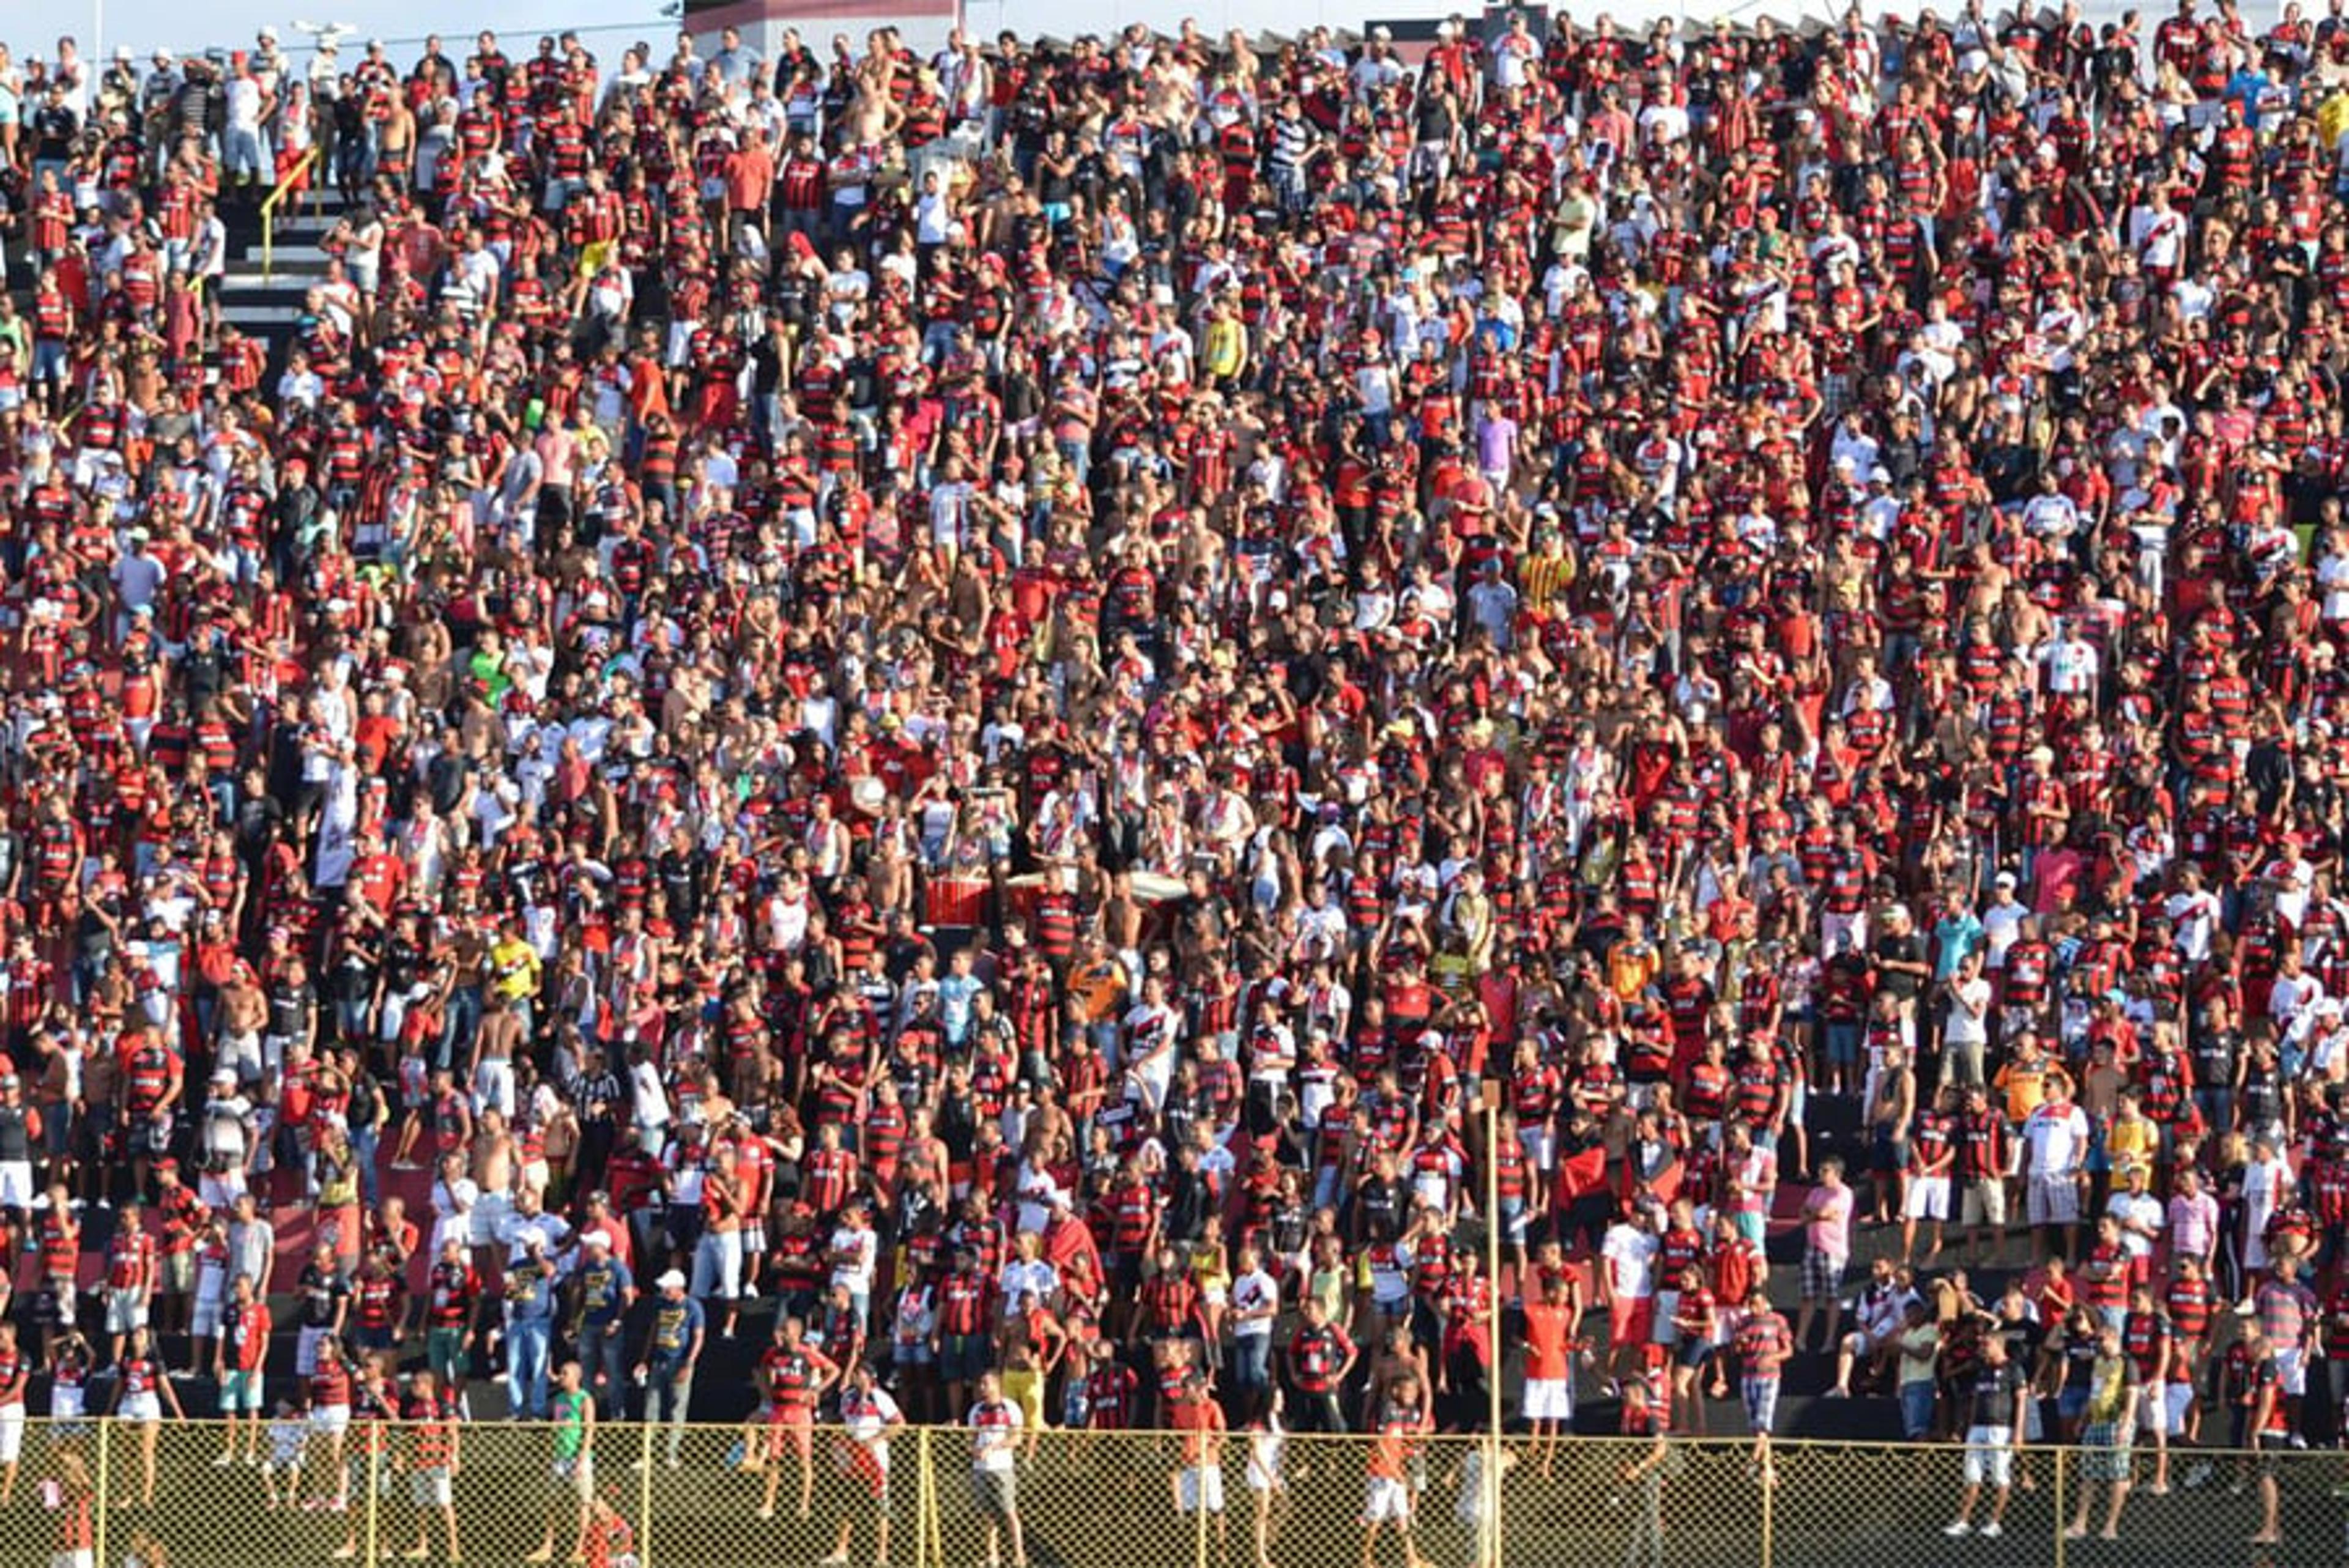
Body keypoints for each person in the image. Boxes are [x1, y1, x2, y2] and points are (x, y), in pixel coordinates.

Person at [1943, 1329, 2029, 1539]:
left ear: (1999, 1346)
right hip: (1978, 1428)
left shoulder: (2014, 1369)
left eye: (1987, 1345)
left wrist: (2018, 1432)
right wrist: (1968, 1427)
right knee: (1972, 1474)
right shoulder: (1981, 1369)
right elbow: (1975, 1400)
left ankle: (1995, 1522)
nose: (1983, 1349)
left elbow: (2021, 1401)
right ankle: (1964, 1520)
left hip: (2001, 1428)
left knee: (2000, 1475)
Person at [825, 1361, 903, 1568]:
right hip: (851, 1456)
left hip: (874, 1457)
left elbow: (899, 1424)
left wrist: (875, 1440)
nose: (854, 1377)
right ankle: (841, 1551)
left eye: (858, 1374)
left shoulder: (881, 1398)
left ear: (869, 1376)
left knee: (881, 1506)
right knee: (847, 1504)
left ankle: (882, 1556)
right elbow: (845, 1422)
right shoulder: (848, 1397)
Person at [2066, 1320, 2137, 1542]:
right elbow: (2095, 1392)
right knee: (2089, 1473)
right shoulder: (2098, 1362)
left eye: (2102, 1339)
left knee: (2117, 1473)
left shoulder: (2127, 1362)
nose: (2098, 1344)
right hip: (2096, 1421)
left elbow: (2132, 1394)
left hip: (2116, 1421)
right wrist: (2082, 1419)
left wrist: (2126, 1424)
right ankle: (2080, 1523)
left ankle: (2111, 1525)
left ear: (2114, 1338)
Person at [527, 1359, 596, 1565]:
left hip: (577, 1457)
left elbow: (589, 1429)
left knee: (583, 1503)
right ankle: (547, 1546)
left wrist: (581, 1458)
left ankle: (579, 1549)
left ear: (576, 1376)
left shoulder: (585, 1399)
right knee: (552, 1502)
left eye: (565, 1373)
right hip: (559, 1457)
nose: (561, 1376)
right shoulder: (559, 1399)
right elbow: (556, 1428)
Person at [105, 1325, 182, 1509]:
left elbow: (165, 1387)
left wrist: (179, 1412)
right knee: (127, 1453)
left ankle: (146, 1495)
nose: (136, 1337)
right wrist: (110, 1409)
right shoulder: (126, 1360)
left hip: (148, 1403)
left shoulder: (155, 1361)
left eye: (141, 1334)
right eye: (135, 1334)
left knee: (146, 1451)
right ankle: (127, 1494)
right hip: (129, 1402)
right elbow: (119, 1384)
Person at [635, 1270, 703, 1470]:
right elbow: (653, 1332)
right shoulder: (661, 1304)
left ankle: (670, 1454)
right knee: (651, 1407)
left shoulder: (693, 1307)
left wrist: (689, 1363)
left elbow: (698, 1336)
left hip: (679, 1361)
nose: (664, 1291)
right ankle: (647, 1453)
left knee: (677, 1408)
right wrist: (644, 1360)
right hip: (659, 1360)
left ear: (679, 1288)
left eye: (668, 1288)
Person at [1359, 1372, 1427, 1568]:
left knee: (1402, 1515)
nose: (1412, 1395)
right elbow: (1379, 1441)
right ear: (1396, 1391)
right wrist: (1392, 1467)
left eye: (1415, 1391)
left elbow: (1401, 1440)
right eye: (1408, 1391)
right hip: (1380, 1472)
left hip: (1396, 1471)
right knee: (1376, 1516)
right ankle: (1366, 1557)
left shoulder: (1405, 1413)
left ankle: (1412, 1557)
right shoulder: (1386, 1409)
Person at [967, 1371, 1027, 1568]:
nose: (982, 1388)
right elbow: (971, 1440)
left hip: (1002, 1467)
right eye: (980, 1384)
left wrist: (993, 1448)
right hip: (981, 1468)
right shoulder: (976, 1410)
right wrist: (974, 1450)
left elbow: (1017, 1439)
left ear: (997, 1385)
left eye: (986, 1384)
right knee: (987, 1514)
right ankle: (992, 1555)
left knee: (1009, 1511)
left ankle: (1019, 1555)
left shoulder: (1011, 1408)